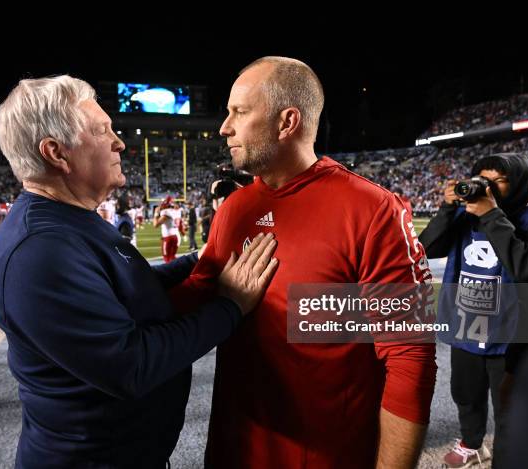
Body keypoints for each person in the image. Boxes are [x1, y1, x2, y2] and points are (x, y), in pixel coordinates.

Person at [0, 75, 278, 468]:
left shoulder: (68, 220)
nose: (119, 141)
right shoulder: (39, 250)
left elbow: (127, 290)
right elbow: (131, 365)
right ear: (57, 152)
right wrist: (230, 307)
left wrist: (203, 258)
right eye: (102, 130)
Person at [171, 57, 436, 469]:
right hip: (232, 452)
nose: (224, 127)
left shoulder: (372, 210)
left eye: (239, 112)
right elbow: (189, 301)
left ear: (287, 121)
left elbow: (409, 355)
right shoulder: (234, 210)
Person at [419, 153, 528, 468]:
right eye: (481, 179)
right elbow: (426, 249)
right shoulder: (463, 216)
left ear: (519, 184)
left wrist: (492, 216)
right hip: (466, 326)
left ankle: (508, 453)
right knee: (465, 393)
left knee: (509, 406)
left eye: (498, 180)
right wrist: (447, 208)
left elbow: (527, 268)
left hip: (510, 333)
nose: (487, 187)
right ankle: (472, 443)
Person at [153, 195, 182, 263]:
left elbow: (155, 225)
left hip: (168, 238)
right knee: (172, 257)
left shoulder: (166, 212)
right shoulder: (175, 211)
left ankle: (172, 272)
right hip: (175, 236)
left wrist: (156, 213)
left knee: (167, 259)